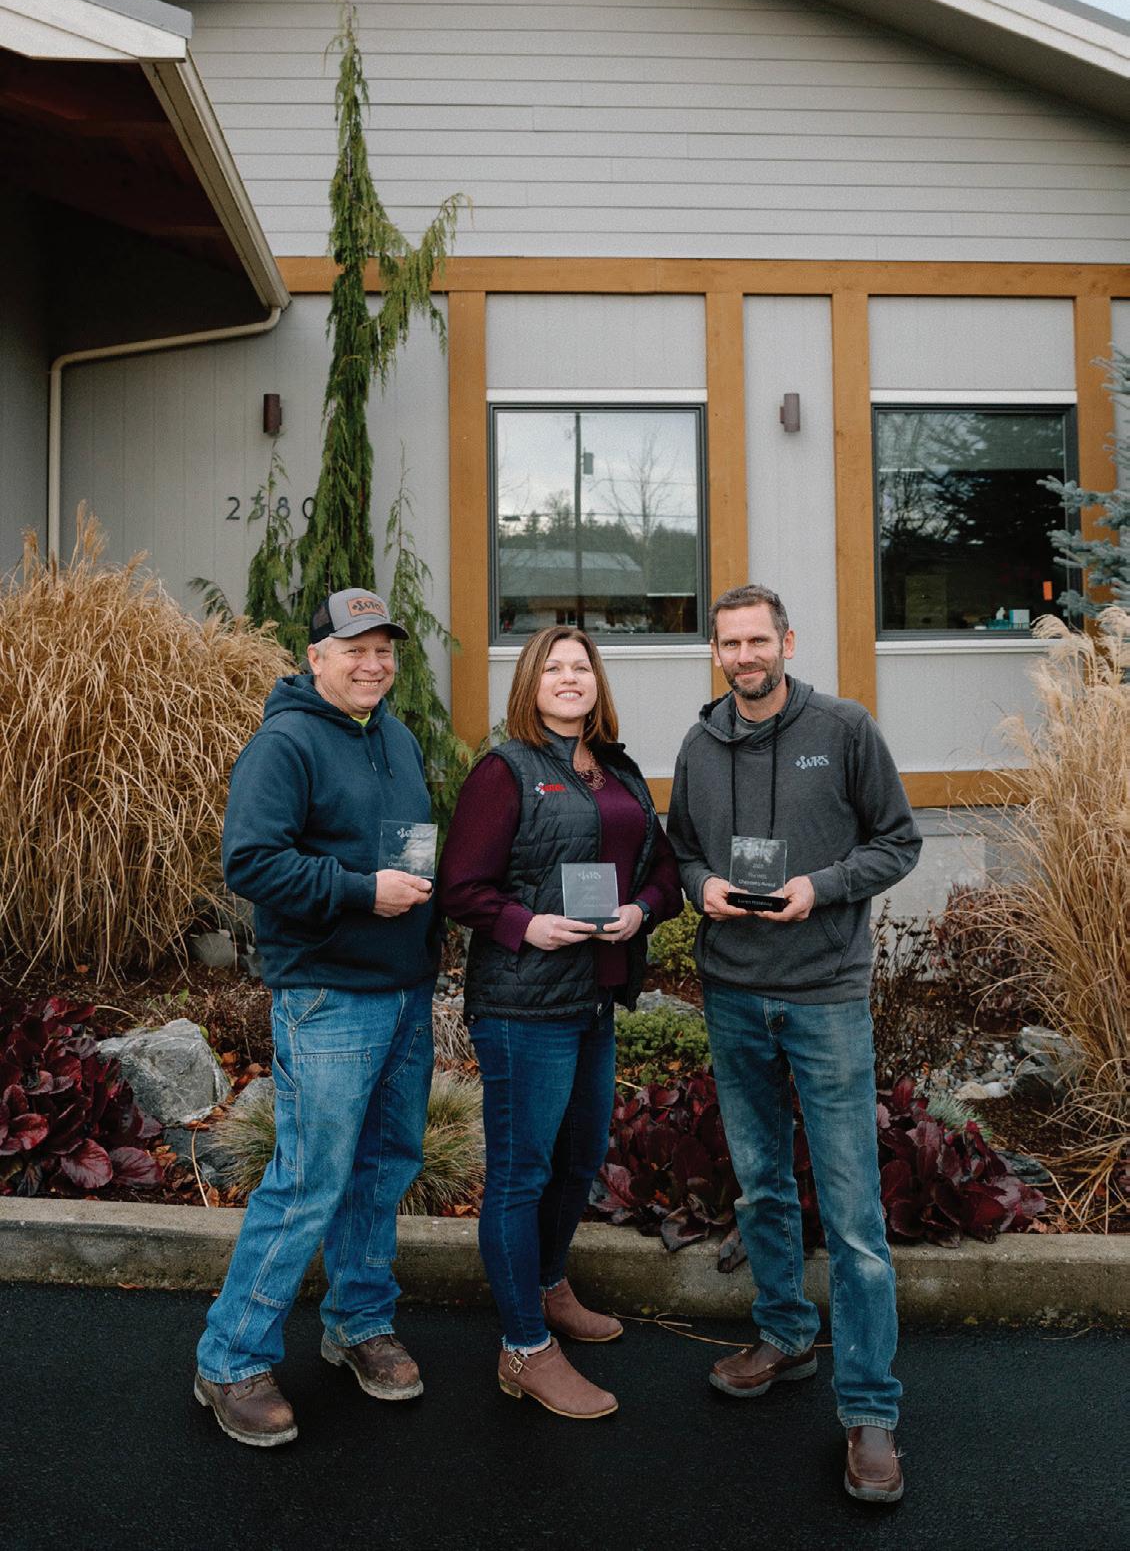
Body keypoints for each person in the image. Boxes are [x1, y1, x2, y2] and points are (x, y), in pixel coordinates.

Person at [666, 584, 921, 1504]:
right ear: (717, 652)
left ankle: (870, 1409)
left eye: (757, 640)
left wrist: (823, 885)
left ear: (787, 641)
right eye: (729, 643)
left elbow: (898, 842)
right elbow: (681, 849)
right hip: (734, 994)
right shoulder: (699, 744)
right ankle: (784, 1334)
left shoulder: (845, 729)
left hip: (823, 997)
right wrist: (700, 887)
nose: (745, 656)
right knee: (763, 1184)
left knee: (853, 1216)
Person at [195, 588, 439, 1448]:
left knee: (383, 1167)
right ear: (316, 658)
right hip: (330, 996)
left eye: (384, 650)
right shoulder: (285, 744)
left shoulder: (396, 737)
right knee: (308, 1181)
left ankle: (359, 1322)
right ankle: (230, 1358)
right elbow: (251, 862)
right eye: (355, 649)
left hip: (405, 990)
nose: (373, 664)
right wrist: (361, 892)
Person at [438, 625, 683, 1420]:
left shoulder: (618, 771)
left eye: (582, 667)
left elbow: (664, 869)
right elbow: (460, 886)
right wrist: (526, 924)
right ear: (531, 684)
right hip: (523, 1006)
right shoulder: (505, 771)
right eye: (554, 668)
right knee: (522, 1173)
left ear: (597, 682)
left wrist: (641, 911)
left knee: (578, 1163)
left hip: (594, 997)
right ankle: (523, 1347)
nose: (570, 678)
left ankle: (547, 1286)